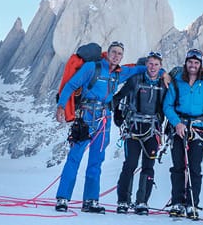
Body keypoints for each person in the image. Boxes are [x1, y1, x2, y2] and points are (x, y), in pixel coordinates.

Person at [54, 41, 150, 214]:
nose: (116, 56)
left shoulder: (120, 73)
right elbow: (71, 85)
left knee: (96, 160)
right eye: (114, 52)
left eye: (120, 54)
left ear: (122, 56)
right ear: (108, 53)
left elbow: (143, 69)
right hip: (86, 116)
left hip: (104, 118)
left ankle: (91, 200)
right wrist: (61, 106)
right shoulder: (92, 67)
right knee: (74, 157)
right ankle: (62, 198)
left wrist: (164, 73)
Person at [163, 48, 203, 219]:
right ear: (186, 63)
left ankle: (192, 204)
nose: (193, 65)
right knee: (178, 166)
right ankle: (178, 203)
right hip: (179, 126)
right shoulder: (176, 81)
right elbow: (167, 106)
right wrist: (176, 123)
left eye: (196, 63)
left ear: (200, 65)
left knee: (194, 166)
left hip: (198, 128)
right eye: (190, 62)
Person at [112, 51, 166, 215]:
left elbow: (168, 105)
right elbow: (118, 97)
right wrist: (118, 114)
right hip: (133, 128)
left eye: (156, 64)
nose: (152, 67)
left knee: (148, 166)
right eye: (150, 64)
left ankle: (142, 202)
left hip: (152, 129)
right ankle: (123, 201)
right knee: (130, 164)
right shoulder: (135, 80)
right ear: (145, 65)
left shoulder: (163, 83)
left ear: (160, 66)